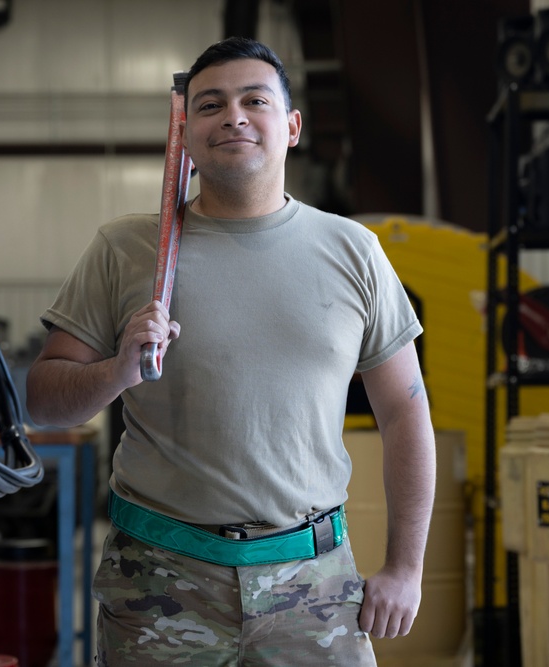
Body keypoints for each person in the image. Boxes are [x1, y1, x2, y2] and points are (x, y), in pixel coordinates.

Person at [27, 36, 436, 666]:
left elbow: (406, 413)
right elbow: (45, 402)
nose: (234, 116)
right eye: (211, 104)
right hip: (160, 582)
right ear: (184, 134)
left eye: (254, 100)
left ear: (292, 126)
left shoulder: (353, 251)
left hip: (311, 581)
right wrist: (117, 371)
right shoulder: (125, 249)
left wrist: (407, 568)